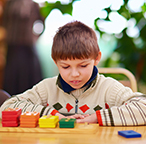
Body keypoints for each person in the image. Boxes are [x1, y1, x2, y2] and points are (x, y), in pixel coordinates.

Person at [0, 21, 146, 126]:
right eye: (65, 67)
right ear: (55, 62)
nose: (74, 74)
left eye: (83, 65)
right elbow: (7, 107)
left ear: (96, 59)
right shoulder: (46, 89)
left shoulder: (109, 89)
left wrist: (98, 117)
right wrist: (53, 114)